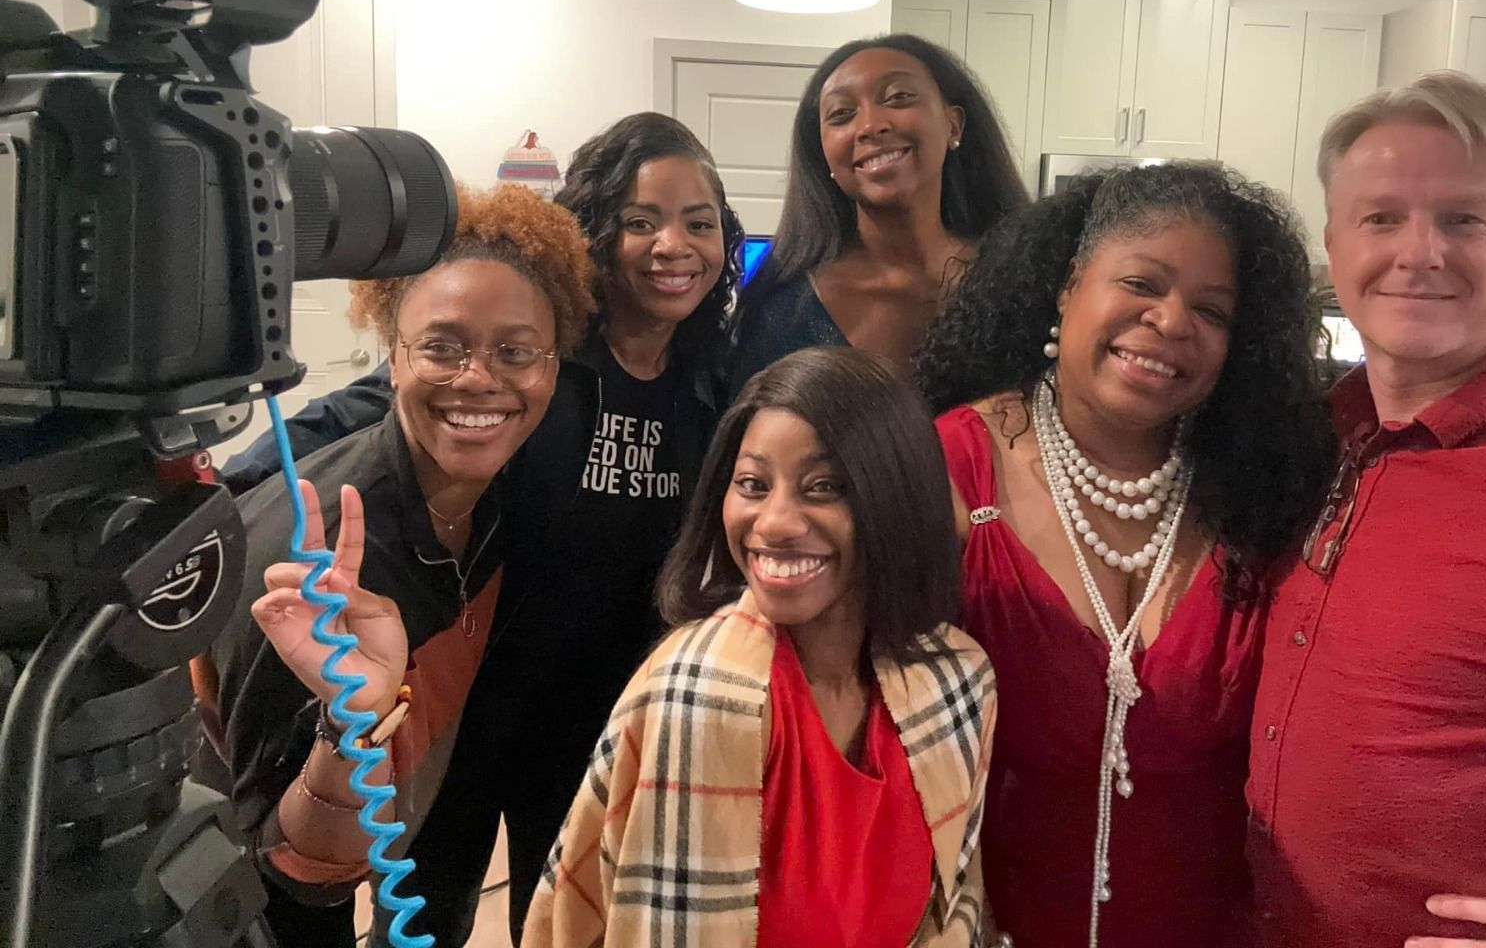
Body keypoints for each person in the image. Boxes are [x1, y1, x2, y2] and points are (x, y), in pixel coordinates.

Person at [221, 112, 744, 944]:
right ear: (601, 235)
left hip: (601, 710)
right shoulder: (545, 359)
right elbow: (366, 409)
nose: (671, 244)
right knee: (425, 908)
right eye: (640, 221)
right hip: (469, 687)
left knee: (566, 910)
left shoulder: (711, 380)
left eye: (699, 222)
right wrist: (235, 483)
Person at [914, 163, 1336, 948]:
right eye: (1142, 282)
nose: (1172, 321)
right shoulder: (949, 470)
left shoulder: (1264, 490)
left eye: (1211, 310)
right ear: (1071, 284)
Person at [1245, 71, 1486, 948]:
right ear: (1334, 243)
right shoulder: (1324, 434)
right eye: (1382, 217)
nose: (1419, 252)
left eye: (1463, 220)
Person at [195, 183, 595, 946]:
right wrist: (355, 728)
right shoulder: (317, 552)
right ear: (392, 354)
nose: (479, 377)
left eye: (515, 351)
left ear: (553, 364)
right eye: (442, 346)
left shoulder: (511, 486)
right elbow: (281, 859)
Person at [524, 348, 998, 948]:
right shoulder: (698, 695)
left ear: (896, 498)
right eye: (752, 484)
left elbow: (955, 904)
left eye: (824, 487)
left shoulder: (958, 681)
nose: (773, 522)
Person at [728, 33, 1030, 393]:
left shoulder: (1022, 287)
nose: (871, 126)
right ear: (823, 152)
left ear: (953, 125)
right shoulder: (782, 312)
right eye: (841, 115)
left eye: (898, 97)